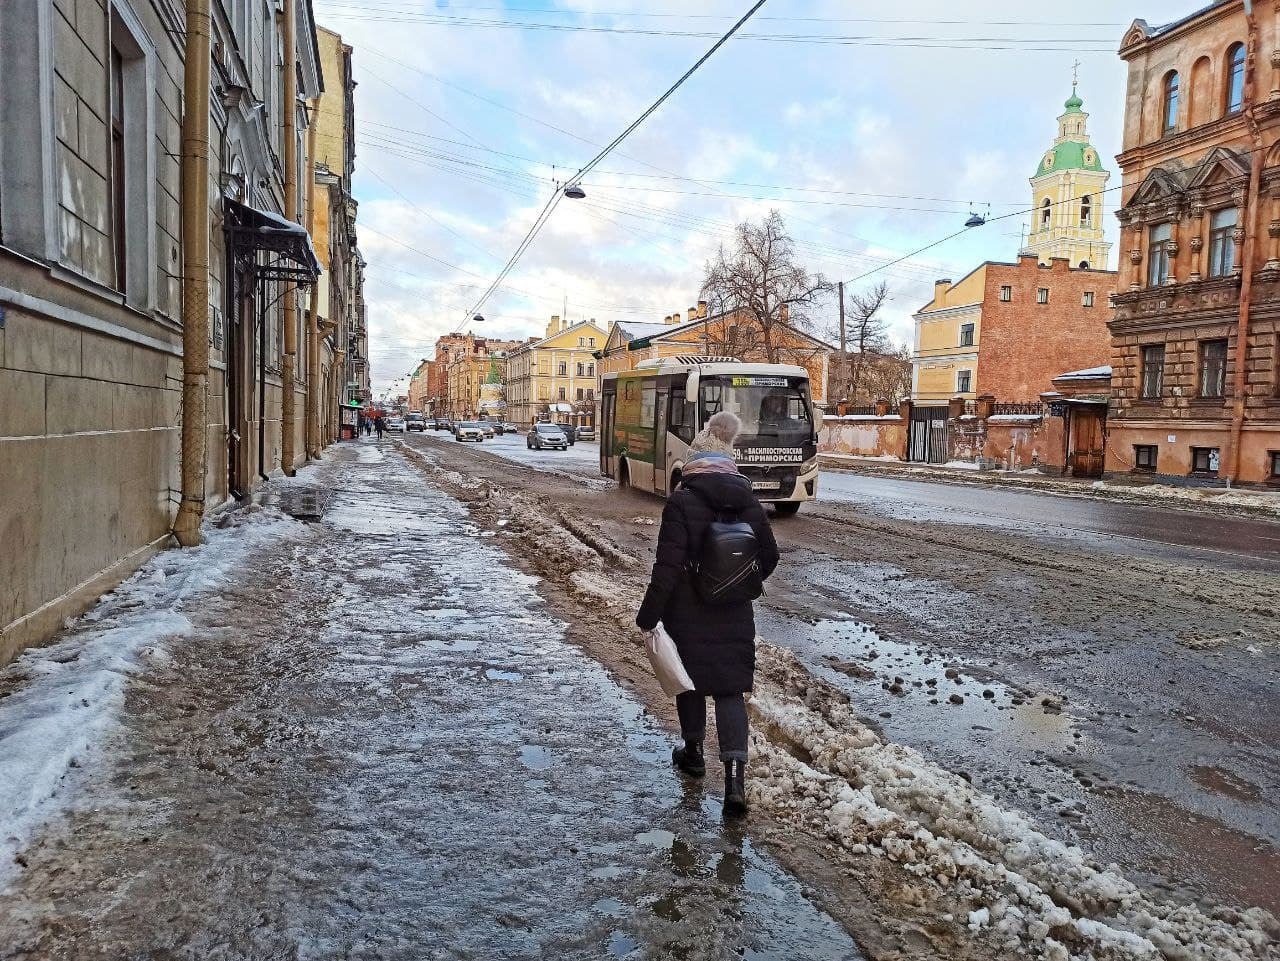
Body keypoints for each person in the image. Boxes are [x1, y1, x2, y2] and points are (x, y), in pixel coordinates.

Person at [635, 411, 779, 816]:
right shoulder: (748, 499)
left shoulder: (682, 500)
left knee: (691, 684)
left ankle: (694, 755)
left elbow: (666, 567)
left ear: (694, 461)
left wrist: (648, 616)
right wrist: (740, 584)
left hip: (688, 611)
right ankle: (735, 783)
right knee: (730, 691)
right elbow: (769, 556)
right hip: (734, 611)